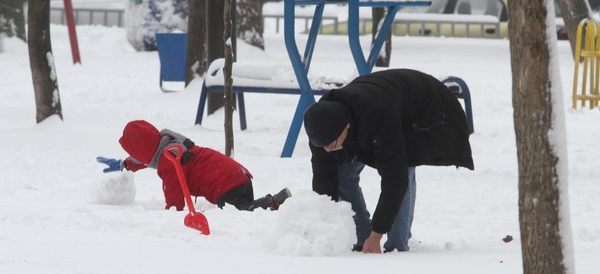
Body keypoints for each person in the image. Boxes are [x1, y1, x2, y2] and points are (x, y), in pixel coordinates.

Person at [303, 69, 474, 254]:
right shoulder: (321, 125)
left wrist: (377, 233)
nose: (327, 149)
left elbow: (395, 180)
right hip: (383, 102)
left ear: (346, 127)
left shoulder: (377, 117)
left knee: (403, 167)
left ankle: (397, 246)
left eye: (331, 143)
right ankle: (361, 237)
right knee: (341, 174)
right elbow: (324, 178)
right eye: (322, 145)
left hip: (430, 111)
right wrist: (326, 224)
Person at [97, 120, 291, 211]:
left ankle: (271, 202)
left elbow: (174, 198)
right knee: (242, 209)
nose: (134, 157)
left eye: (133, 153)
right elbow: (147, 158)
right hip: (237, 176)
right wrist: (125, 164)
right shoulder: (169, 147)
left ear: (142, 151)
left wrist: (171, 216)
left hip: (225, 185)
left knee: (242, 213)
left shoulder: (168, 162)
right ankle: (268, 204)